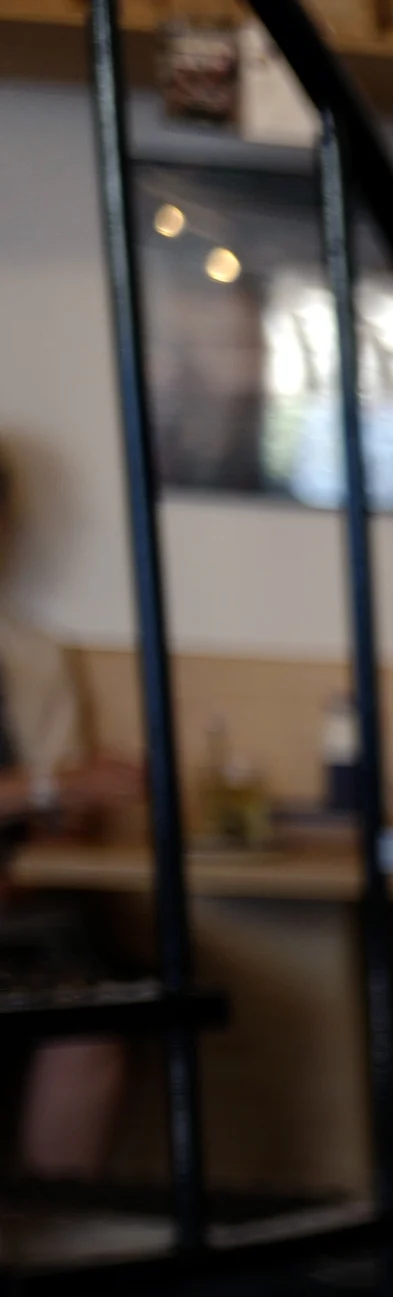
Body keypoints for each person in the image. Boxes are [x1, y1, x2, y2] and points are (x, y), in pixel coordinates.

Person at [0, 441, 148, 1184]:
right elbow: (59, 784)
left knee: (92, 1018)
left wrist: (72, 806)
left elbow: (70, 812)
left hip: (25, 907)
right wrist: (54, 789)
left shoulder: (31, 656)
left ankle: (51, 1275)